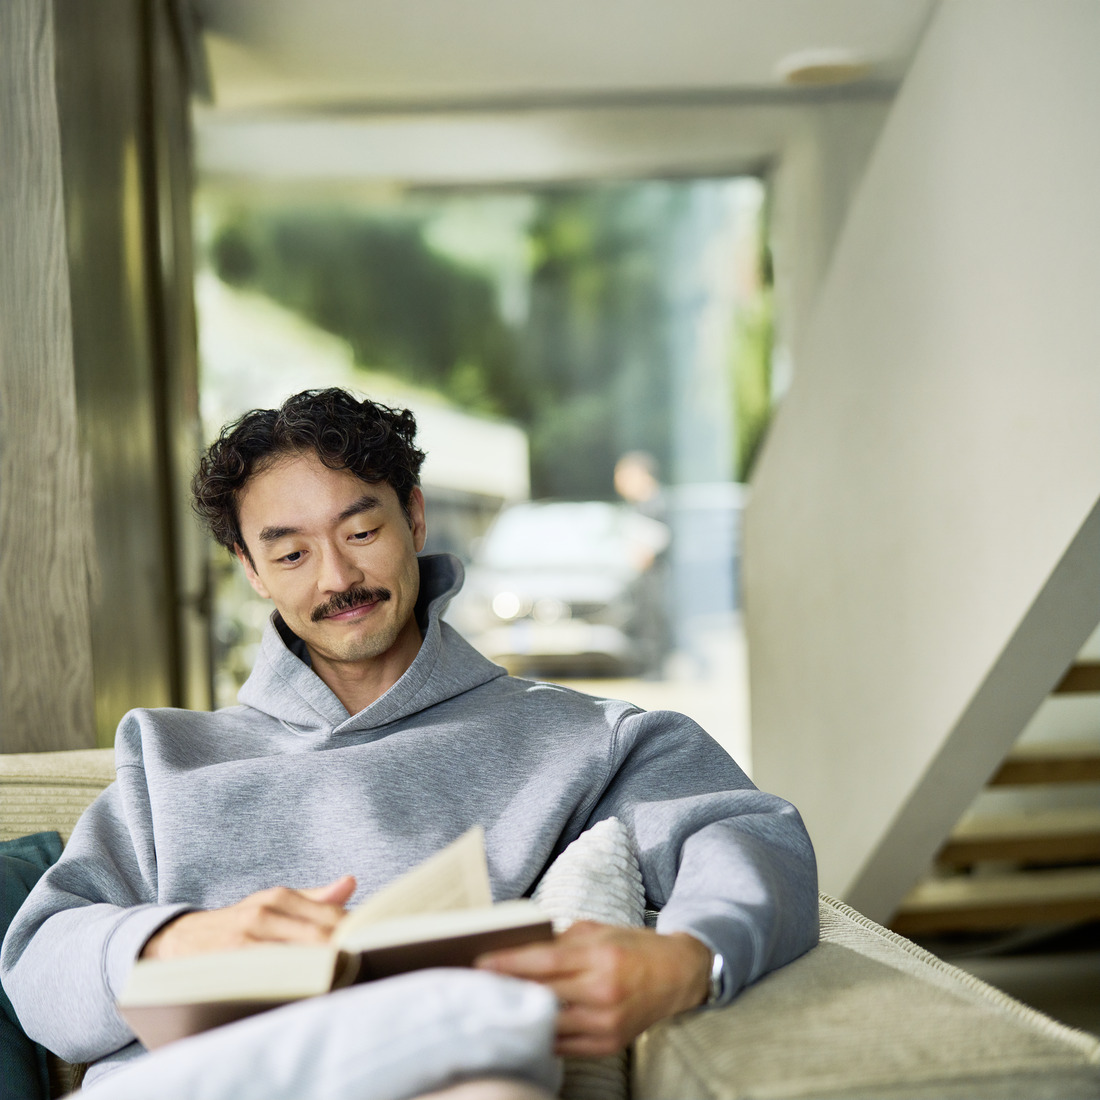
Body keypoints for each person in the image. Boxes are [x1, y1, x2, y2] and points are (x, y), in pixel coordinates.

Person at [1, 389, 818, 1099]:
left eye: (360, 532)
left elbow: (752, 836)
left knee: (489, 1071)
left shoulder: (587, 739)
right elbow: (39, 968)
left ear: (414, 516)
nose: (335, 579)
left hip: (443, 1071)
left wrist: (689, 960)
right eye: (290, 553)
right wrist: (173, 940)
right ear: (250, 569)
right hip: (211, 1077)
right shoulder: (167, 756)